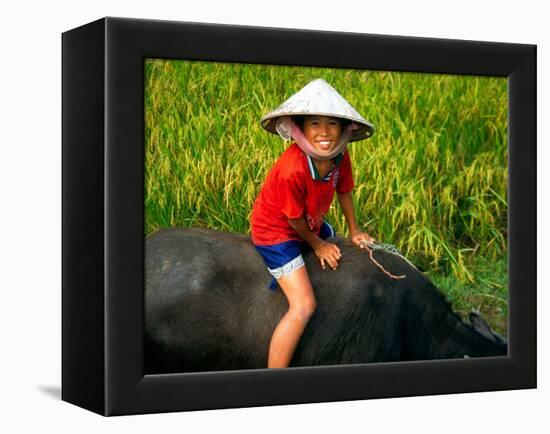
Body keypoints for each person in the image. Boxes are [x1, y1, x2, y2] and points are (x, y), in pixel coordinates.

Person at [250, 78, 376, 368]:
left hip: (311, 221)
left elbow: (344, 190)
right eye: (314, 124)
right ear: (301, 128)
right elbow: (292, 219)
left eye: (332, 124)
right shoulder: (291, 169)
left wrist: (355, 230)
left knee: (339, 243)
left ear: (345, 130)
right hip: (278, 231)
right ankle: (273, 378)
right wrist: (318, 245)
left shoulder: (339, 157)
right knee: (304, 305)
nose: (324, 132)